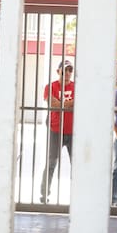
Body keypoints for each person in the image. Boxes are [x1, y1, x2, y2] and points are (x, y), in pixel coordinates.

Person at [40, 59, 75, 203]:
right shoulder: (50, 87)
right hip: (56, 131)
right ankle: (44, 194)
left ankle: (79, 194)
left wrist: (62, 104)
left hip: (74, 132)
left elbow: (79, 102)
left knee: (78, 165)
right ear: (58, 71)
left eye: (70, 70)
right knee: (51, 163)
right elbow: (52, 104)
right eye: (64, 70)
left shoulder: (77, 86)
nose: (67, 73)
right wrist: (70, 104)